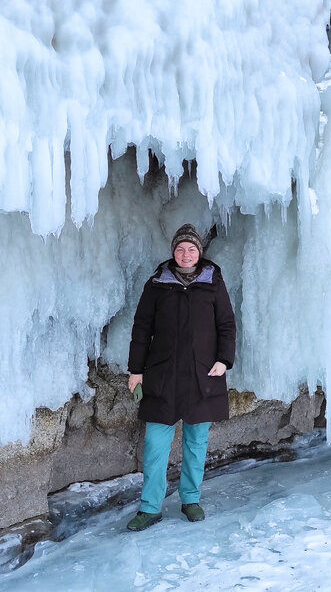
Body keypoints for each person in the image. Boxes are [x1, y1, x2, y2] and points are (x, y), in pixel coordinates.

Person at [125, 223, 237, 531]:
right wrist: (136, 370)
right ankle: (150, 507)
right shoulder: (157, 284)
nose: (185, 254)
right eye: (180, 249)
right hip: (162, 375)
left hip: (203, 374)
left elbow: (226, 323)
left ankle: (190, 500)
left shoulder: (213, 282)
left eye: (191, 249)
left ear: (199, 253)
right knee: (154, 445)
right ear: (173, 252)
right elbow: (141, 329)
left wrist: (224, 360)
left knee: (196, 442)